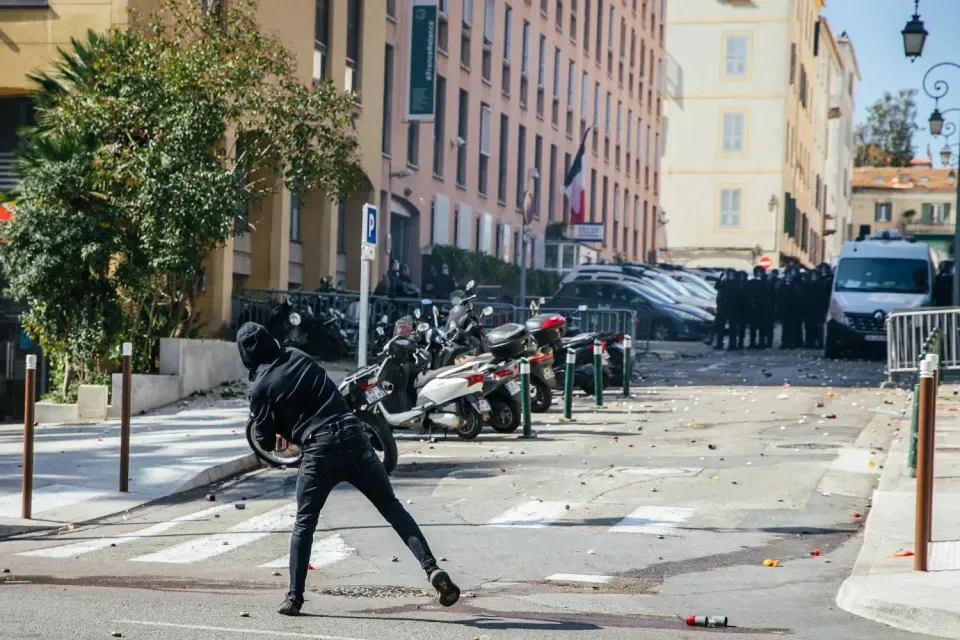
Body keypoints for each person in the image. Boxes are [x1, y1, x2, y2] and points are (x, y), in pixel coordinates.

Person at [237, 322, 460, 616]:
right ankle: (431, 568)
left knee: (305, 522)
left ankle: (294, 597)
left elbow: (264, 439)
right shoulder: (298, 356)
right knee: (391, 507)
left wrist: (282, 432)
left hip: (318, 450)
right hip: (354, 436)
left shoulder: (260, 388)